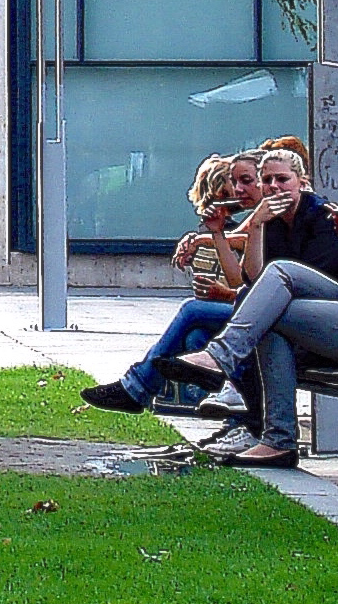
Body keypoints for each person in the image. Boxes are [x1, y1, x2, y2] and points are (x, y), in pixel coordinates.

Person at [154, 146, 338, 468]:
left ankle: (218, 361)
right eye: (267, 180)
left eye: (282, 179)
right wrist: (256, 225)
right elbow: (251, 282)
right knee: (262, 318)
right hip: (319, 327)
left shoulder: (322, 216)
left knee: (269, 285)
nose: (274, 187)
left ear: (302, 182)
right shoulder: (273, 221)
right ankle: (277, 440)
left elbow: (294, 289)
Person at [80, 150, 265, 421]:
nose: (238, 190)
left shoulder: (271, 219)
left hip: (272, 318)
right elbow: (242, 281)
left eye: (246, 181)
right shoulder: (257, 220)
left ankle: (137, 388)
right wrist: (213, 235)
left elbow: (250, 293)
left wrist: (224, 291)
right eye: (234, 183)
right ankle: (242, 421)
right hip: (252, 312)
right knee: (196, 338)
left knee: (192, 310)